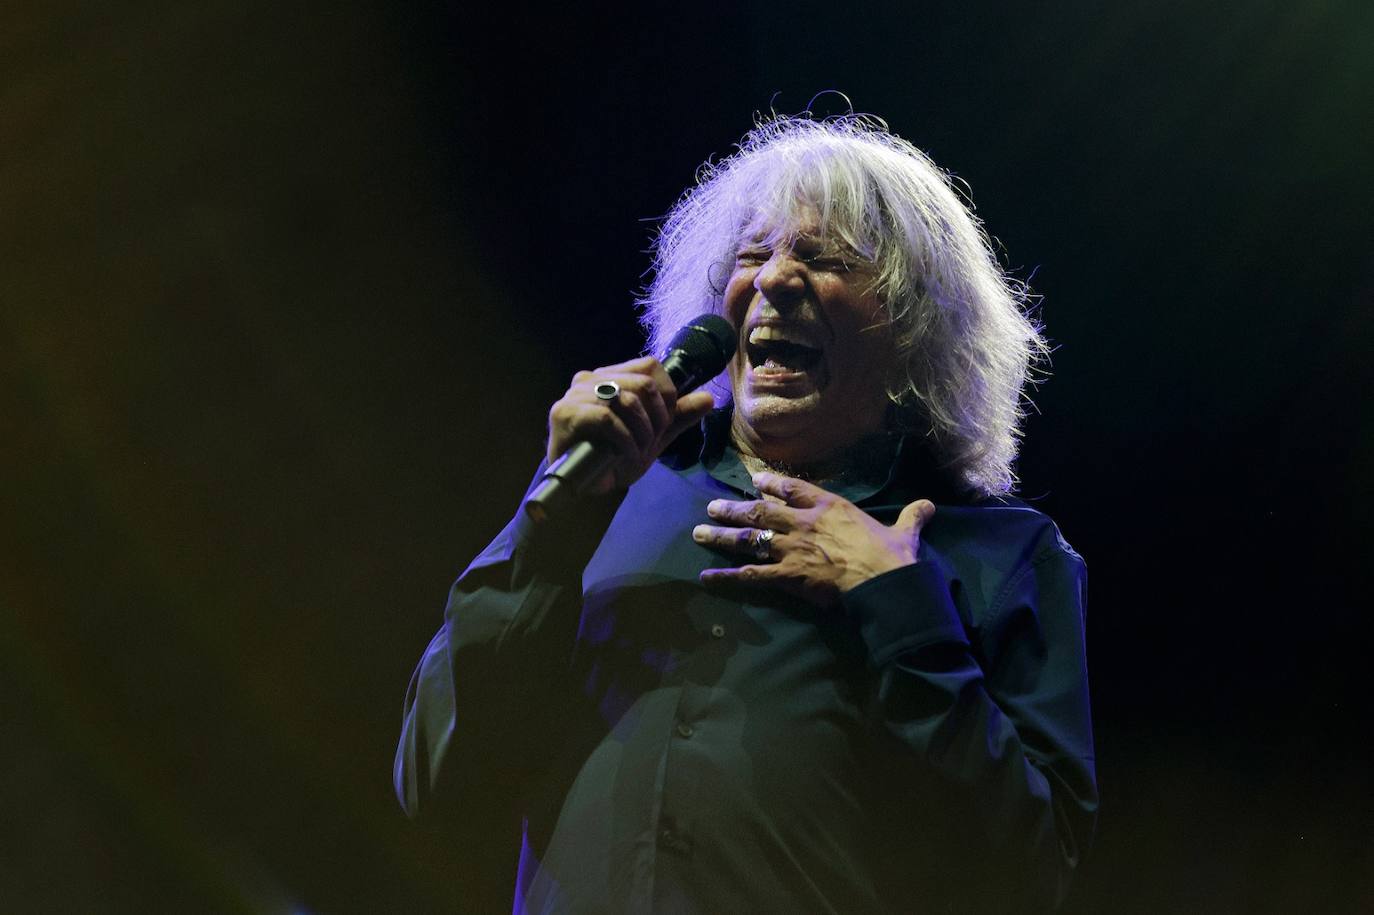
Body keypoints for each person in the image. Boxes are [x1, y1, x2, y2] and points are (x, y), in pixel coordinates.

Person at [395, 114, 1097, 913]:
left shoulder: (996, 556)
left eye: (825, 258)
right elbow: (436, 778)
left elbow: (1030, 874)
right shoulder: (612, 500)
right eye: (752, 256)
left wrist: (903, 612)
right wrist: (546, 532)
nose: (773, 280)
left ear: (914, 325)